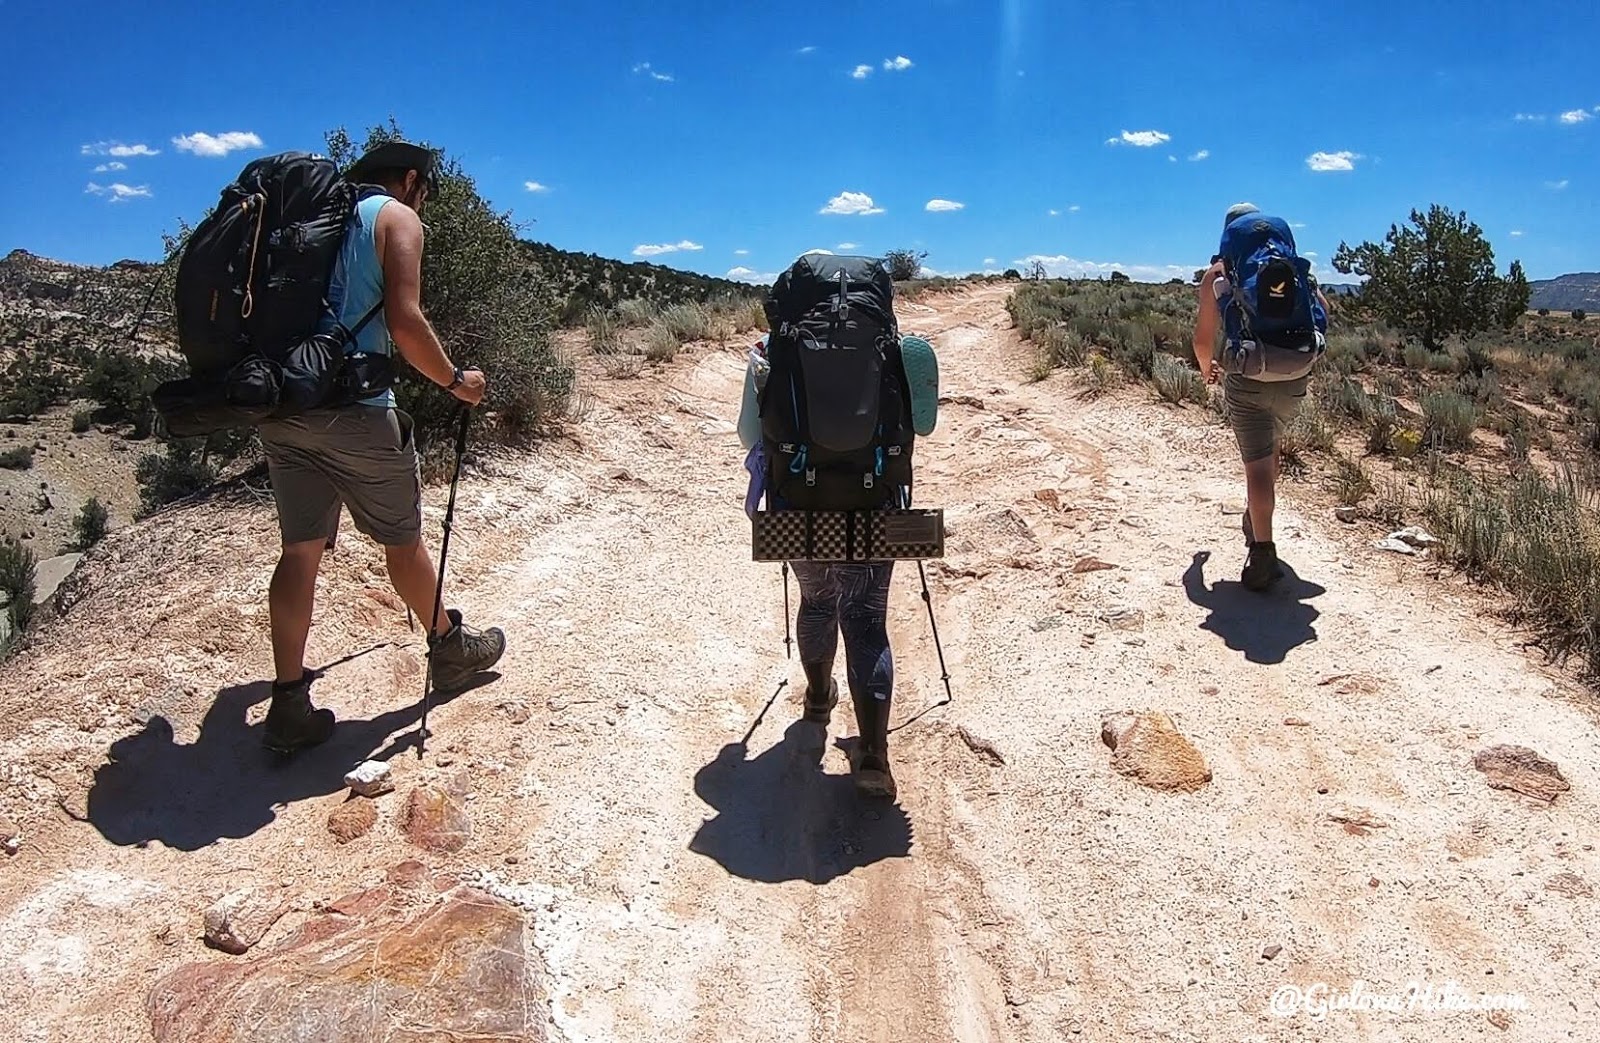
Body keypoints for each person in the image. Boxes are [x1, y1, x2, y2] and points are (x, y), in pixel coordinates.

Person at [255, 141, 506, 753]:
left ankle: (287, 702)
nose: (424, 201)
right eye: (425, 190)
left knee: (300, 549)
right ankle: (450, 648)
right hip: (356, 410)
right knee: (402, 541)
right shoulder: (394, 217)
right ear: (412, 179)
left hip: (282, 404)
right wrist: (457, 383)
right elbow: (405, 321)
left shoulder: (301, 221)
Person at [1193, 202, 1330, 592]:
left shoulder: (1218, 275)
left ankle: (1263, 551)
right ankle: (1259, 522)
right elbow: (1323, 314)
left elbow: (1203, 340)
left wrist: (1208, 369)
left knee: (1256, 466)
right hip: (1296, 374)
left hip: (1248, 375)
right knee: (1270, 453)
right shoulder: (1294, 272)